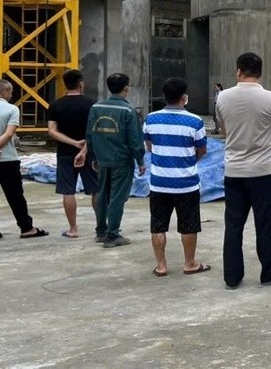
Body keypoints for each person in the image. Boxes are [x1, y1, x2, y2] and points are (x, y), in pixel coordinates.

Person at [216, 52, 271, 289]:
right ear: (261, 73)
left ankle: (232, 277)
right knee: (265, 225)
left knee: (233, 225)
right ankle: (270, 273)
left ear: (238, 71)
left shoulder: (223, 97)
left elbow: (224, 131)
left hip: (234, 171)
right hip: (263, 171)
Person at [142, 78, 211, 277]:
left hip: (159, 182)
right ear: (184, 97)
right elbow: (202, 150)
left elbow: (150, 147)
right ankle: (190, 263)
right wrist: (188, 162)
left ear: (164, 97)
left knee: (158, 224)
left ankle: (161, 266)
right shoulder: (195, 121)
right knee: (189, 225)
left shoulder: (151, 119)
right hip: (186, 184)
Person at [0, 79, 48, 241]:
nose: (11, 95)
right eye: (10, 92)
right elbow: (8, 134)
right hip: (7, 160)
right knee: (15, 195)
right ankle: (26, 228)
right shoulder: (12, 109)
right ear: (5, 92)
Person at [78, 73, 146, 248]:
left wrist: (92, 156)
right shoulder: (128, 111)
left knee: (102, 194)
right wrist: (140, 160)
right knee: (117, 197)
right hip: (121, 160)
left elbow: (89, 134)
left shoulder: (96, 108)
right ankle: (112, 235)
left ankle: (101, 231)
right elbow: (135, 140)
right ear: (126, 88)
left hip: (102, 159)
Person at [47, 69, 100, 239]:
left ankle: (73, 228)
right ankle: (101, 226)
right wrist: (83, 148)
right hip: (90, 152)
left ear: (65, 84)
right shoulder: (92, 104)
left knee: (67, 191)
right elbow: (95, 131)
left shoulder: (55, 105)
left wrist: (73, 143)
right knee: (96, 190)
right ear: (81, 84)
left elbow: (52, 131)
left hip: (65, 153)